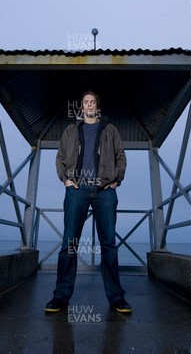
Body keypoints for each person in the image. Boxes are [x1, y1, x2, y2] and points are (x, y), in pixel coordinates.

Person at [44, 91, 132, 313]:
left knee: (109, 245)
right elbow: (60, 157)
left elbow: (121, 156)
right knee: (69, 244)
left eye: (93, 102)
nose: (89, 105)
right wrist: (65, 179)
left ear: (97, 106)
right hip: (77, 190)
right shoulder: (72, 130)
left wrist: (116, 180)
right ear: (81, 107)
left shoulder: (110, 130)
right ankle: (60, 296)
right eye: (86, 102)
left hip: (104, 191)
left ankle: (116, 298)